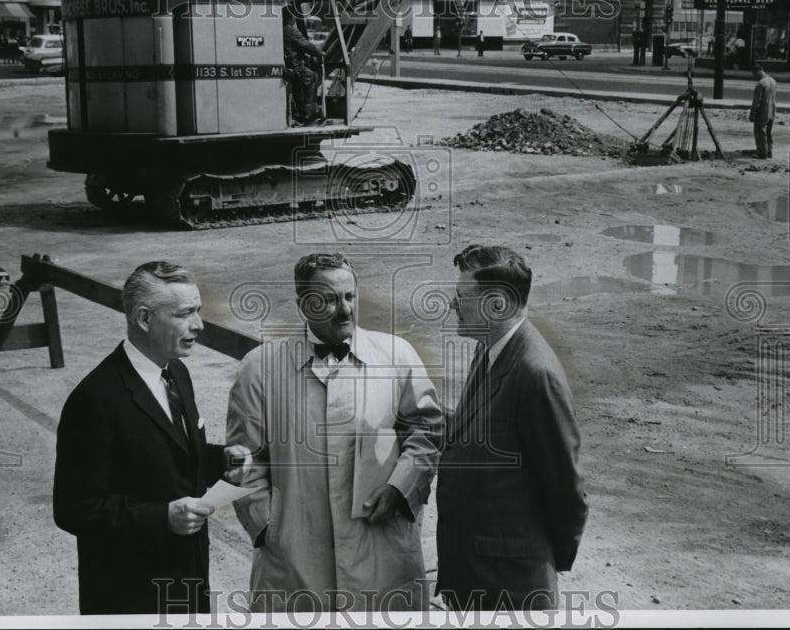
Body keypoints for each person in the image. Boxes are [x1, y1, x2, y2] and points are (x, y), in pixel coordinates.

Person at [226, 252, 443, 612]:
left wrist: (401, 488)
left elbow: (427, 430)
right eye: (327, 300)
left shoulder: (397, 355)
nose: (345, 311)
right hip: (294, 563)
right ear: (302, 306)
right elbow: (242, 459)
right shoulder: (260, 368)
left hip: (381, 552)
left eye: (349, 296)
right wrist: (269, 527)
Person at [53, 262, 250, 615]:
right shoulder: (95, 399)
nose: (199, 325)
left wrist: (222, 459)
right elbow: (73, 509)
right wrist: (161, 517)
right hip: (129, 593)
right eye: (184, 314)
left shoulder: (177, 372)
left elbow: (165, 452)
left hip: (187, 578)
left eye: (198, 312)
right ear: (144, 319)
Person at [436, 245, 587, 611]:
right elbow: (477, 433)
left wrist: (541, 559)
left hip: (511, 587)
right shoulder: (490, 349)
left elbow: (567, 490)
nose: (453, 305)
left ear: (498, 305)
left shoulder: (536, 375)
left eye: (461, 296)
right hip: (474, 576)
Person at [282, 7, 324, 125]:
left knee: (299, 84)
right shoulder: (290, 30)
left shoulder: (282, 29)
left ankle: (299, 111)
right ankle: (308, 113)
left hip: (288, 64)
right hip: (294, 66)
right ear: (291, 17)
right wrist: (318, 53)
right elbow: (306, 45)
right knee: (311, 77)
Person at [749, 63, 777, 159]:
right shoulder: (772, 81)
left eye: (754, 74)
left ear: (758, 72)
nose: (754, 77)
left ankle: (762, 153)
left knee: (760, 131)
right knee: (768, 132)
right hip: (772, 109)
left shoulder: (760, 84)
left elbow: (757, 101)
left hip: (763, 110)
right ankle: (769, 151)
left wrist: (752, 113)